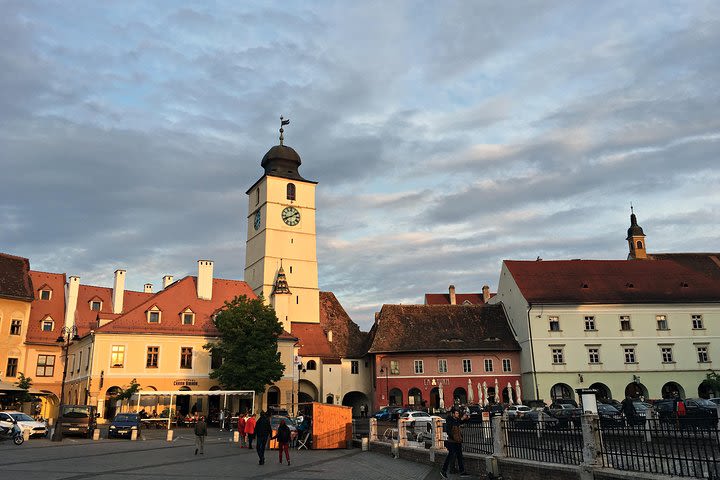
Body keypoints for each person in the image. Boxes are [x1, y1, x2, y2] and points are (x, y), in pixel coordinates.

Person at [440, 406, 470, 478]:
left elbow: (460, 421)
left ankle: (462, 471)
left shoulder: (456, 419)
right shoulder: (449, 419)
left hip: (457, 441)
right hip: (452, 441)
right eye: (456, 413)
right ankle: (443, 470)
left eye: (458, 413)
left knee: (460, 456)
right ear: (453, 414)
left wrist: (466, 419)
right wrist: (453, 437)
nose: (457, 414)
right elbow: (449, 430)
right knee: (450, 455)